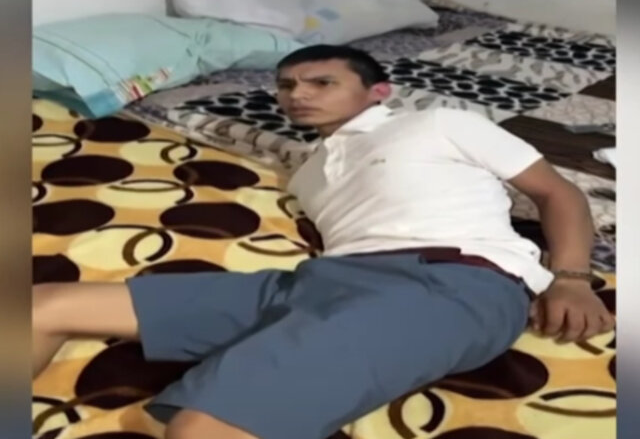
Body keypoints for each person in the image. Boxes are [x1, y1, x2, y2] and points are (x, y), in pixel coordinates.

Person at [33, 45, 614, 439]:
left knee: (201, 427)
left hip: (444, 283)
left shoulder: (438, 123)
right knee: (43, 304)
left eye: (321, 82)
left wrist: (571, 278)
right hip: (313, 285)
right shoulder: (305, 172)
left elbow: (557, 192)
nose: (297, 94)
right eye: (286, 85)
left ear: (378, 91)